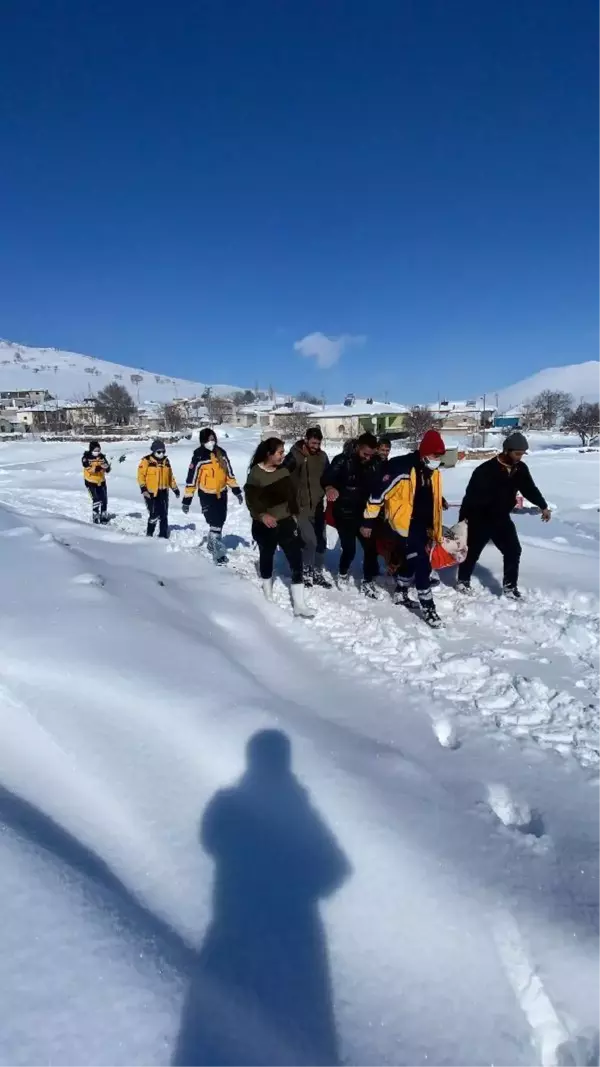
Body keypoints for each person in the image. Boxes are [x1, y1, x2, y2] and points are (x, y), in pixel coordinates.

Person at [361, 429, 447, 627]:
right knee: (422, 564)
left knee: (410, 562)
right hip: (405, 525)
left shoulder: (433, 472)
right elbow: (378, 494)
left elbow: (428, 493)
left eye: (440, 456)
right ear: (425, 452)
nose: (438, 459)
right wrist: (368, 521)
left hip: (425, 524)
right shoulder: (402, 468)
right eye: (435, 455)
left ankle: (400, 592)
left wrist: (438, 503)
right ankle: (429, 608)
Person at [457, 431, 551, 599]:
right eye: (517, 454)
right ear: (506, 450)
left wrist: (543, 506)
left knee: (513, 550)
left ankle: (510, 587)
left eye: (522, 454)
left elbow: (529, 489)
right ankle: (463, 581)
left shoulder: (520, 469)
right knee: (472, 552)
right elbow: (469, 498)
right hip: (480, 518)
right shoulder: (484, 470)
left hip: (501, 519)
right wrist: (463, 522)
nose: (519, 457)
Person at [245, 438, 314, 618]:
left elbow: (290, 495)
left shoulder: (283, 470)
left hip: (285, 521)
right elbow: (252, 501)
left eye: (283, 452)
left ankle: (300, 604)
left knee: (296, 558)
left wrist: (294, 514)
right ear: (269, 454)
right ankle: (267, 594)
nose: (283, 456)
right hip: (265, 524)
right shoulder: (256, 474)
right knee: (267, 556)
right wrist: (262, 515)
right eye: (279, 453)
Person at [322, 432, 380, 597]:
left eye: (371, 454)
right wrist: (329, 488)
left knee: (370, 548)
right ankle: (343, 573)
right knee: (349, 549)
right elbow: (327, 478)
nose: (368, 458)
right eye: (365, 454)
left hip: (365, 514)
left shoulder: (375, 463)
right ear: (357, 447)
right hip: (345, 513)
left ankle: (368, 582)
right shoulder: (342, 460)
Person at [182, 427, 243, 564]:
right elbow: (192, 480)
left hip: (221, 494)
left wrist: (236, 491)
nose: (211, 442)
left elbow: (229, 475)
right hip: (206, 495)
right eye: (208, 440)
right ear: (203, 441)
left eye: (213, 439)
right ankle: (218, 554)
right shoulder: (198, 456)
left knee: (220, 521)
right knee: (215, 522)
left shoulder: (221, 453)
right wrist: (187, 500)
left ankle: (211, 543)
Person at [283, 426, 332, 588]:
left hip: (318, 506)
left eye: (318, 443)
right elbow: (282, 475)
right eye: (313, 443)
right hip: (300, 507)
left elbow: (328, 477)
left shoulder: (323, 457)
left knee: (321, 542)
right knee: (310, 541)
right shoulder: (295, 456)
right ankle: (307, 571)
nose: (315, 447)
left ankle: (317, 573)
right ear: (306, 440)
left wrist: (330, 487)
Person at [137, 438, 180, 539]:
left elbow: (170, 477)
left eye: (163, 451)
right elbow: (140, 476)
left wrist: (175, 488)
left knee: (164, 515)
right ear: (154, 451)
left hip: (163, 492)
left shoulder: (166, 461)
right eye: (159, 451)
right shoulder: (146, 461)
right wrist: (143, 489)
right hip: (150, 492)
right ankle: (149, 533)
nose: (161, 453)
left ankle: (163, 535)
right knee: (154, 514)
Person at [82, 440, 111, 524]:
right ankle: (95, 515)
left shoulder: (102, 457)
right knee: (96, 499)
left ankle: (103, 515)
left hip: (101, 481)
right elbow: (89, 469)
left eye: (98, 450)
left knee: (104, 499)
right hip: (90, 481)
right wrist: (98, 468)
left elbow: (106, 465)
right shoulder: (86, 458)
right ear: (91, 450)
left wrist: (107, 468)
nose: (97, 452)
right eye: (95, 450)